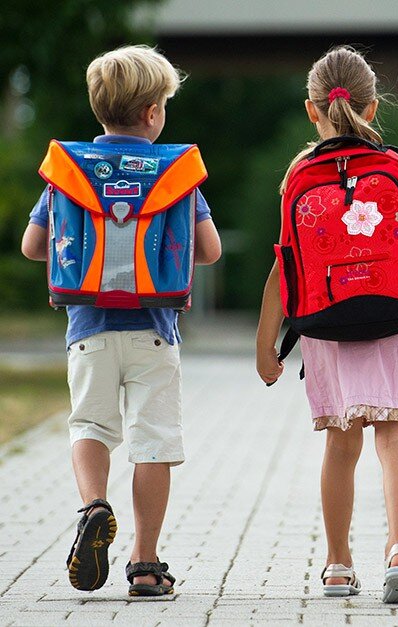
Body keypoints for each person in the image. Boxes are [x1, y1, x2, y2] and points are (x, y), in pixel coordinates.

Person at [20, 45, 222, 597]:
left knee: (90, 427)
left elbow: (32, 246)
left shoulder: (69, 172)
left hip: (88, 331)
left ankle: (93, 507)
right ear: (154, 112)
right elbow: (209, 251)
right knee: (153, 444)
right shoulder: (176, 175)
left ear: (98, 109)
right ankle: (146, 565)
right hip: (155, 331)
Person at [255, 46, 398, 604]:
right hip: (396, 319)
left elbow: (283, 267)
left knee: (342, 448)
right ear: (373, 104)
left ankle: (338, 564)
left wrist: (267, 345)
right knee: (395, 442)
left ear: (311, 111)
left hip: (328, 327)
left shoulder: (299, 175)